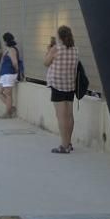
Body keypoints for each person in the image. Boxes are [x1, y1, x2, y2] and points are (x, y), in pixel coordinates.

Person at [44, 25, 80, 154]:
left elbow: (46, 63)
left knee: (61, 117)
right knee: (69, 116)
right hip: (70, 85)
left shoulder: (56, 48)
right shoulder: (75, 49)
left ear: (59, 36)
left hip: (57, 85)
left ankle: (64, 146)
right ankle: (69, 143)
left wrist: (48, 51)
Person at [0, 32, 20, 119]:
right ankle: (10, 108)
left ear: (5, 41)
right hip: (5, 74)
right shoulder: (8, 49)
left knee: (8, 94)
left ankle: (7, 113)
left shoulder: (12, 50)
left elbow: (15, 62)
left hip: (9, 74)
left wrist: (16, 71)